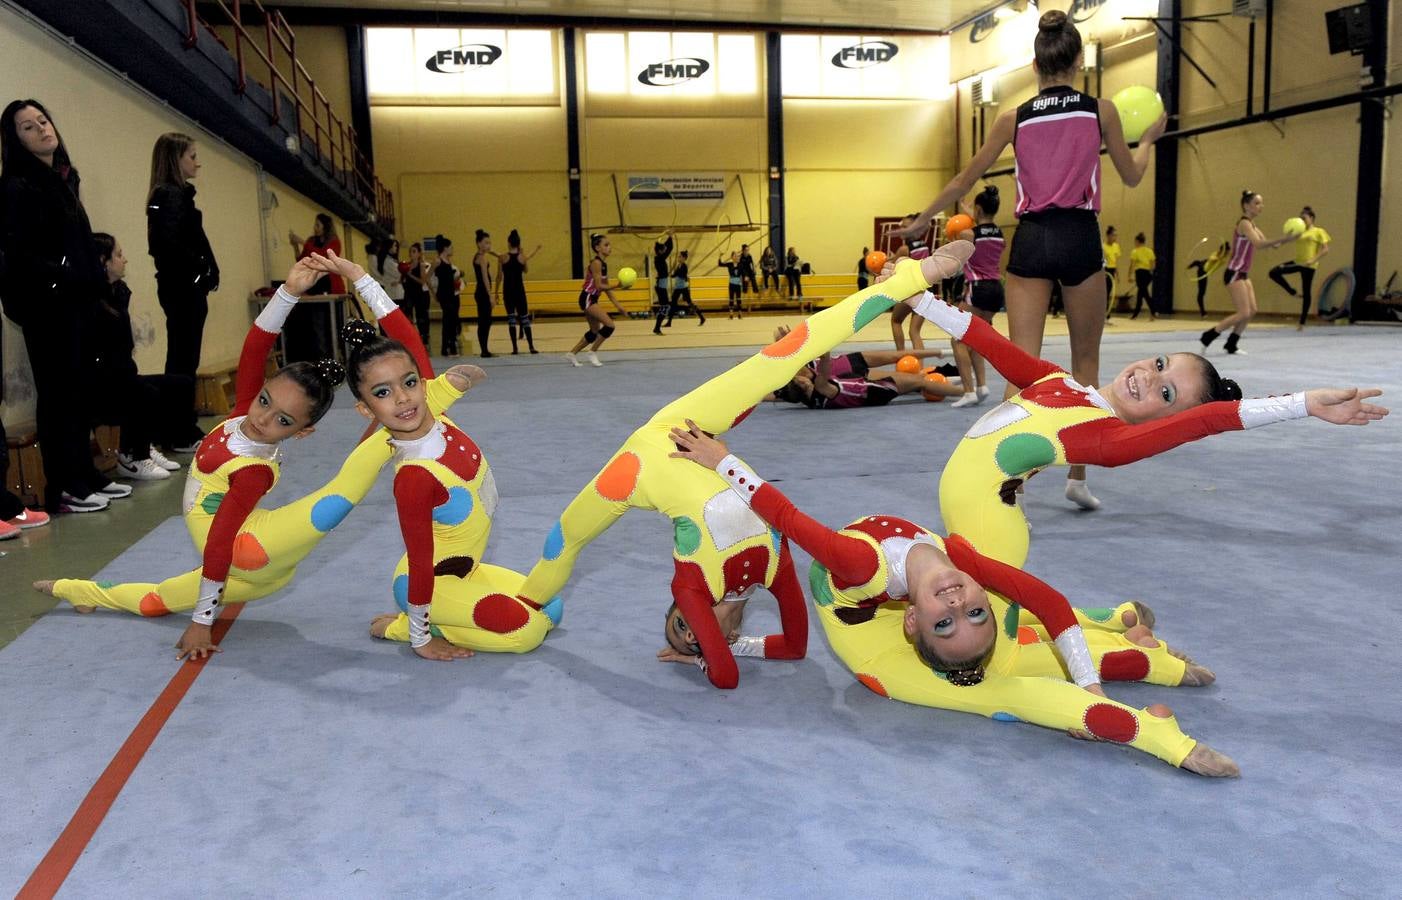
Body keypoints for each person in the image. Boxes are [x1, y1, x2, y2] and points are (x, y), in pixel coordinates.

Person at [511, 251, 972, 688]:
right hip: (684, 452)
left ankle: (910, 279)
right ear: (726, 636)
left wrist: (706, 653)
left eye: (679, 625)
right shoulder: (774, 569)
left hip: (657, 450)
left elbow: (724, 673)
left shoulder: (691, 585)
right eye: (692, 638)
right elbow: (788, 650)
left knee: (782, 358)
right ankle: (527, 608)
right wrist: (725, 651)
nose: (691, 630)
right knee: (570, 536)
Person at [667, 425, 1235, 776]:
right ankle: (1151, 724)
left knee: (1008, 646)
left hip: (878, 614)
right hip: (878, 655)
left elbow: (785, 514)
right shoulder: (938, 569)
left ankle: (1131, 644)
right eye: (970, 613)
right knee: (996, 687)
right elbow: (1050, 604)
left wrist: (720, 459)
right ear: (912, 620)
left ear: (915, 619)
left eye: (955, 618)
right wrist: (1091, 692)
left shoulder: (871, 563)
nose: (959, 601)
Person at [36, 253, 430, 660]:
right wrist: (289, 292)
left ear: (302, 432)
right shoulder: (242, 414)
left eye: (283, 421)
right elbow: (256, 346)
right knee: (157, 600)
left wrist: (201, 621)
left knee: (340, 494)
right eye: (265, 401)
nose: (262, 419)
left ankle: (400, 428)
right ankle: (79, 591)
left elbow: (221, 539)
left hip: (250, 549)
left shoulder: (253, 471)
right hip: (253, 575)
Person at [899, 286, 1388, 570]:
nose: (1149, 378)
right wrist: (920, 299)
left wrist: (1303, 404)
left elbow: (1209, 419)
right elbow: (989, 340)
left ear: (1167, 422)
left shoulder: (1105, 440)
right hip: (970, 517)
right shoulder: (1056, 380)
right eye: (1159, 363)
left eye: (1167, 394)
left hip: (993, 533)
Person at [902, 10, 1167, 514]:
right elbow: (1133, 176)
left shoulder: (1014, 117)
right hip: (1079, 235)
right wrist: (1148, 142)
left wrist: (920, 222)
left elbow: (963, 181)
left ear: (1035, 63)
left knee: (1022, 366)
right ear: (1079, 60)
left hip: (1033, 238)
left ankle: (1009, 484)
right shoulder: (1101, 111)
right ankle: (1077, 476)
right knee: (1085, 362)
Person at [0, 98, 128, 513]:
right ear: (16, 140)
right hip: (48, 306)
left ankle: (85, 473)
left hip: (79, 301)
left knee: (80, 390)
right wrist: (63, 276)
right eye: (28, 126)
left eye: (43, 120)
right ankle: (65, 485)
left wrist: (92, 283)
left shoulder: (64, 177)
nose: (41, 128)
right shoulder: (17, 185)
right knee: (58, 395)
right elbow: (20, 254)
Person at [90, 233, 192, 481]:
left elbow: (125, 348)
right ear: (104, 261)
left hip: (124, 375)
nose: (124, 260)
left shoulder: (118, 293)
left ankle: (146, 445)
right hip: (101, 384)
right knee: (144, 392)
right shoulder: (93, 301)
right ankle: (132, 457)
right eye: (119, 255)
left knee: (181, 384)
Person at [146, 132, 218, 449]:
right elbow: (169, 246)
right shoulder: (170, 195)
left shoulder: (175, 195)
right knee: (182, 359)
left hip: (182, 287)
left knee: (184, 358)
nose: (197, 162)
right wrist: (200, 273)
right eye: (192, 156)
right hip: (182, 289)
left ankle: (179, 426)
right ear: (176, 160)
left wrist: (207, 270)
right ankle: (178, 430)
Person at [1200, 191, 1294, 355]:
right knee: (1243, 312)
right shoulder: (1244, 224)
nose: (1261, 206)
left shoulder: (1252, 225)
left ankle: (1231, 344)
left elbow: (1273, 245)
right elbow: (1259, 244)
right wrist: (1284, 238)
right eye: (1257, 203)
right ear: (1246, 206)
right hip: (1234, 272)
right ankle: (1209, 335)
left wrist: (1289, 238)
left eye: (1261, 203)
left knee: (1252, 310)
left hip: (1242, 273)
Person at [949, 186, 1004, 408]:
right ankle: (982, 386)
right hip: (996, 290)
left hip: (977, 288)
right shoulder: (1000, 234)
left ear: (978, 209)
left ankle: (969, 391)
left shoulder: (967, 234)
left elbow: (956, 252)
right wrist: (972, 212)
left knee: (958, 339)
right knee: (976, 339)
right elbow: (983, 229)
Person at [286, 214, 344, 362]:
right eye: (315, 225)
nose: (315, 228)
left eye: (318, 225)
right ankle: (322, 361)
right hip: (315, 290)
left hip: (331, 289)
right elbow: (302, 260)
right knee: (318, 328)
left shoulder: (334, 242)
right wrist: (295, 246)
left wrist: (302, 242)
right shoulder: (311, 241)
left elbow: (325, 258)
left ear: (325, 226)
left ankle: (336, 358)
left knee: (334, 327)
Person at [565, 234, 627, 367]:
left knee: (594, 331)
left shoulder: (603, 265)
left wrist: (618, 306)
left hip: (591, 298)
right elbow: (599, 286)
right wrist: (617, 285)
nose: (609, 247)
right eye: (606, 245)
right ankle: (592, 352)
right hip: (588, 298)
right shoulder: (596, 263)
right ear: (597, 248)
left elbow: (607, 288)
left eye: (609, 244)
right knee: (609, 325)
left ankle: (572, 353)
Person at [1268, 206, 1332, 330]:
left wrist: (1313, 260)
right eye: (1300, 219)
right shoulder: (1300, 231)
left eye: (1304, 218)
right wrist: (1278, 244)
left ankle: (1302, 322)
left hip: (1309, 265)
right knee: (1274, 272)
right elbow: (1288, 239)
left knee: (1306, 291)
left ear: (1312, 218)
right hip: (1298, 262)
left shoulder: (1319, 231)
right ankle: (1292, 292)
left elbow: (1325, 249)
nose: (1302, 221)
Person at [497, 228, 541, 354]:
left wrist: (495, 292)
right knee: (525, 319)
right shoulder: (522, 257)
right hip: (519, 290)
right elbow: (526, 270)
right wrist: (531, 252)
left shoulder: (503, 257)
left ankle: (515, 348)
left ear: (508, 243)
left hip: (508, 290)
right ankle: (531, 346)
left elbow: (499, 277)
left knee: (511, 319)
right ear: (519, 244)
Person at [658, 249, 704, 328]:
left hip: (683, 288)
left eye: (680, 257)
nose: (678, 258)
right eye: (678, 257)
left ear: (684, 258)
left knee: (689, 303)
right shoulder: (679, 265)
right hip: (678, 288)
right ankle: (669, 322)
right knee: (673, 304)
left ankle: (702, 317)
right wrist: (667, 274)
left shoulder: (684, 266)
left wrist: (677, 273)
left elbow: (683, 275)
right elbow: (674, 275)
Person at [433, 234, 461, 357]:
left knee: (451, 320)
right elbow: (427, 277)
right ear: (445, 248)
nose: (452, 249)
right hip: (444, 294)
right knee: (449, 319)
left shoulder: (448, 261)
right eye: (450, 247)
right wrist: (434, 292)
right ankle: (450, 346)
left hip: (451, 293)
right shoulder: (437, 261)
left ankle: (446, 347)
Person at [471, 229, 497, 357]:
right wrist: (490, 295)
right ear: (479, 243)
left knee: (485, 321)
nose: (489, 245)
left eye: (489, 243)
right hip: (482, 292)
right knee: (484, 321)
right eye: (486, 243)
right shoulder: (481, 258)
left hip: (481, 291)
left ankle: (485, 349)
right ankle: (484, 350)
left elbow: (493, 252)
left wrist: (493, 252)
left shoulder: (479, 256)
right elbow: (485, 278)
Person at [401, 242, 432, 348]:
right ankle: (411, 336)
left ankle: (424, 336)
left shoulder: (421, 265)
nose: (411, 253)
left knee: (421, 316)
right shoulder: (407, 265)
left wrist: (410, 275)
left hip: (420, 294)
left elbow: (422, 281)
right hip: (409, 293)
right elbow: (403, 279)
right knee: (408, 316)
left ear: (419, 253)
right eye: (410, 251)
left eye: (414, 251)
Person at [367, 237, 404, 318]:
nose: (396, 248)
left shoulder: (391, 260)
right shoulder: (387, 261)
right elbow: (399, 273)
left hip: (394, 292)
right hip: (393, 293)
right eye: (394, 246)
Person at [1129, 232, 1156, 320]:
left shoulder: (1135, 251)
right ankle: (1136, 314)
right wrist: (1150, 273)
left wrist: (1130, 275)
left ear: (1137, 241)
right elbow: (1153, 264)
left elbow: (1132, 265)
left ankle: (1153, 310)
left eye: (1135, 242)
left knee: (1144, 293)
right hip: (1148, 274)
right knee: (1141, 293)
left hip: (1140, 273)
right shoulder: (1150, 251)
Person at [651, 230, 673, 323]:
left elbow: (663, 246)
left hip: (661, 285)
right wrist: (670, 236)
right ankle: (657, 326)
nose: (665, 250)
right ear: (660, 251)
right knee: (665, 306)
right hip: (661, 286)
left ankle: (658, 326)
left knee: (664, 306)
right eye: (663, 250)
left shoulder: (659, 257)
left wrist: (665, 235)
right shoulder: (660, 258)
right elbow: (669, 248)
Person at [1102, 225, 1121, 320]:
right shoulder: (1103, 246)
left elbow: (1115, 261)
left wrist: (1117, 274)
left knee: (1108, 292)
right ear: (1108, 236)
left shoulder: (1116, 246)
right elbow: (1102, 261)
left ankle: (1106, 312)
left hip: (1112, 270)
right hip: (1105, 270)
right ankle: (1104, 313)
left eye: (1116, 235)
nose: (1115, 237)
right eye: (1113, 235)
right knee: (1104, 292)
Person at [719, 251, 743, 319]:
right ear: (732, 257)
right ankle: (731, 313)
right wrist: (720, 256)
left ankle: (740, 313)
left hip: (738, 283)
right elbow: (720, 264)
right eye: (735, 255)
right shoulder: (729, 264)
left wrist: (742, 282)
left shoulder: (740, 265)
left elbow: (743, 274)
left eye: (737, 256)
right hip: (731, 283)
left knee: (738, 299)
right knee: (731, 299)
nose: (736, 257)